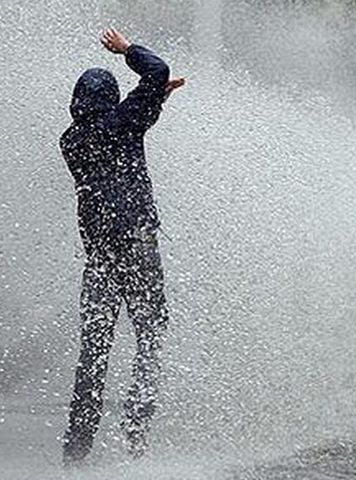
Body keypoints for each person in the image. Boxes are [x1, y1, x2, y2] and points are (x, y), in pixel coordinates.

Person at [60, 28, 185, 465]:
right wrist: (127, 50)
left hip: (99, 259)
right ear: (113, 98)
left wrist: (154, 101)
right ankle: (136, 442)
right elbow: (157, 71)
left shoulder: (70, 141)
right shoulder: (122, 122)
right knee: (149, 340)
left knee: (93, 353)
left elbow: (127, 126)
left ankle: (75, 456)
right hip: (137, 245)